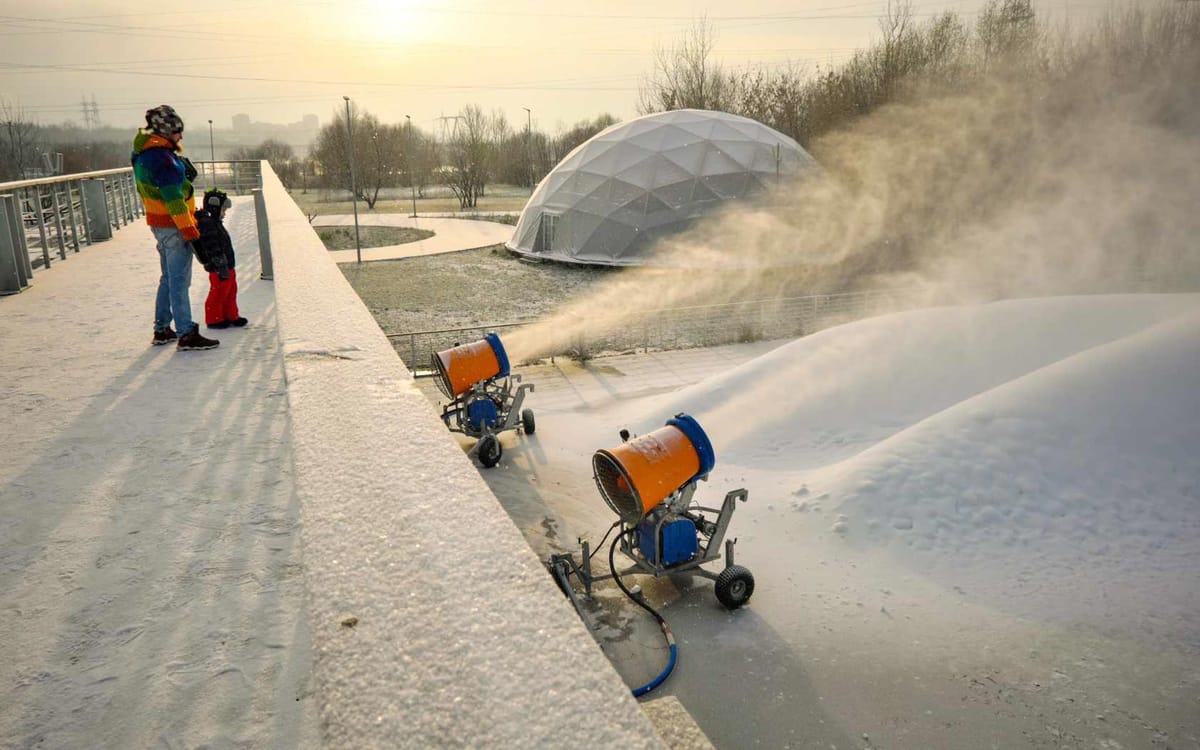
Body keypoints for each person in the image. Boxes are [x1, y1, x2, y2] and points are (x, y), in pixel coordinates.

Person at [132, 104, 219, 350]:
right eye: (178, 132)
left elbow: (155, 188)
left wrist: (182, 178)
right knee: (180, 281)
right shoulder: (161, 158)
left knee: (168, 278)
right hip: (173, 225)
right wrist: (189, 229)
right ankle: (186, 333)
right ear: (165, 131)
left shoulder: (143, 153)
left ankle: (162, 329)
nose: (181, 136)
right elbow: (173, 199)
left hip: (158, 223)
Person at [193, 188, 247, 329]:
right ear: (215, 207)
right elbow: (211, 246)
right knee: (218, 293)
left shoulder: (215, 222)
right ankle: (214, 319)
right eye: (223, 210)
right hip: (219, 268)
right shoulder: (207, 224)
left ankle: (231, 315)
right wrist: (219, 263)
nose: (224, 213)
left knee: (230, 292)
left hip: (228, 265)